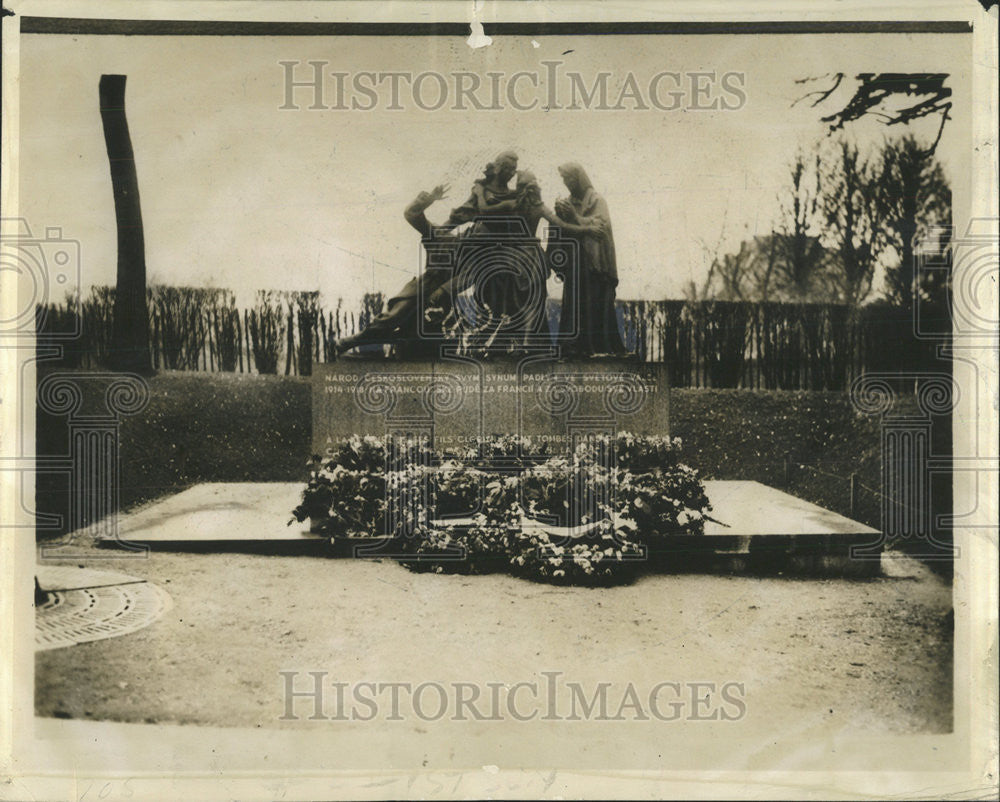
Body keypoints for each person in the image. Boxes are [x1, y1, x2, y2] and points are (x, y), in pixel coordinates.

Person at [334, 184, 456, 356]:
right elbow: (411, 214)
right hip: (423, 287)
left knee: (422, 334)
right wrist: (430, 199)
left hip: (443, 295)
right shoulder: (436, 232)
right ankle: (351, 341)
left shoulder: (464, 242)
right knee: (393, 318)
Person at [552, 162, 627, 356]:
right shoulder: (567, 203)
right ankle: (572, 346)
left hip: (595, 267)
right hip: (575, 264)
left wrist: (575, 217)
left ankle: (596, 346)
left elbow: (601, 229)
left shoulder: (597, 201)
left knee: (594, 304)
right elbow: (563, 231)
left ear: (579, 178)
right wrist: (558, 219)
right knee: (574, 306)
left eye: (569, 178)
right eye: (563, 179)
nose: (566, 183)